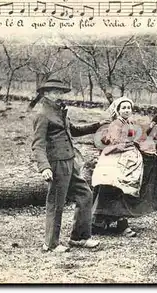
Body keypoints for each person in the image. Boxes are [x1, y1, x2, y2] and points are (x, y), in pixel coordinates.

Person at [31, 78, 104, 253]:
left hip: (70, 161)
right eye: (55, 91)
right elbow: (37, 144)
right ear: (46, 93)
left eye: (61, 91)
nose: (59, 95)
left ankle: (79, 237)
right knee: (56, 203)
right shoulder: (42, 114)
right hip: (56, 164)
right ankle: (50, 244)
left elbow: (73, 130)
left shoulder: (60, 111)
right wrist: (45, 167)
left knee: (85, 194)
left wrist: (96, 126)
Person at [91, 97, 157, 237]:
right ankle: (114, 224)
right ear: (118, 110)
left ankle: (109, 221)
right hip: (116, 160)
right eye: (123, 108)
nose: (126, 110)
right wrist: (129, 146)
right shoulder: (115, 124)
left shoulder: (129, 122)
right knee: (118, 188)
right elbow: (114, 143)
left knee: (125, 189)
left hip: (127, 159)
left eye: (128, 108)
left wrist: (141, 149)